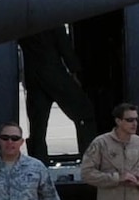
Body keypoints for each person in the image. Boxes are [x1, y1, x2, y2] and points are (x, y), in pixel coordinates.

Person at [19, 25, 92, 161]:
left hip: (33, 77)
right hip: (55, 74)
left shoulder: (23, 21)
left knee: (37, 127)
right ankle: (90, 160)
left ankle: (38, 165)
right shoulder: (52, 18)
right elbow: (64, 46)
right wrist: (75, 70)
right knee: (84, 115)